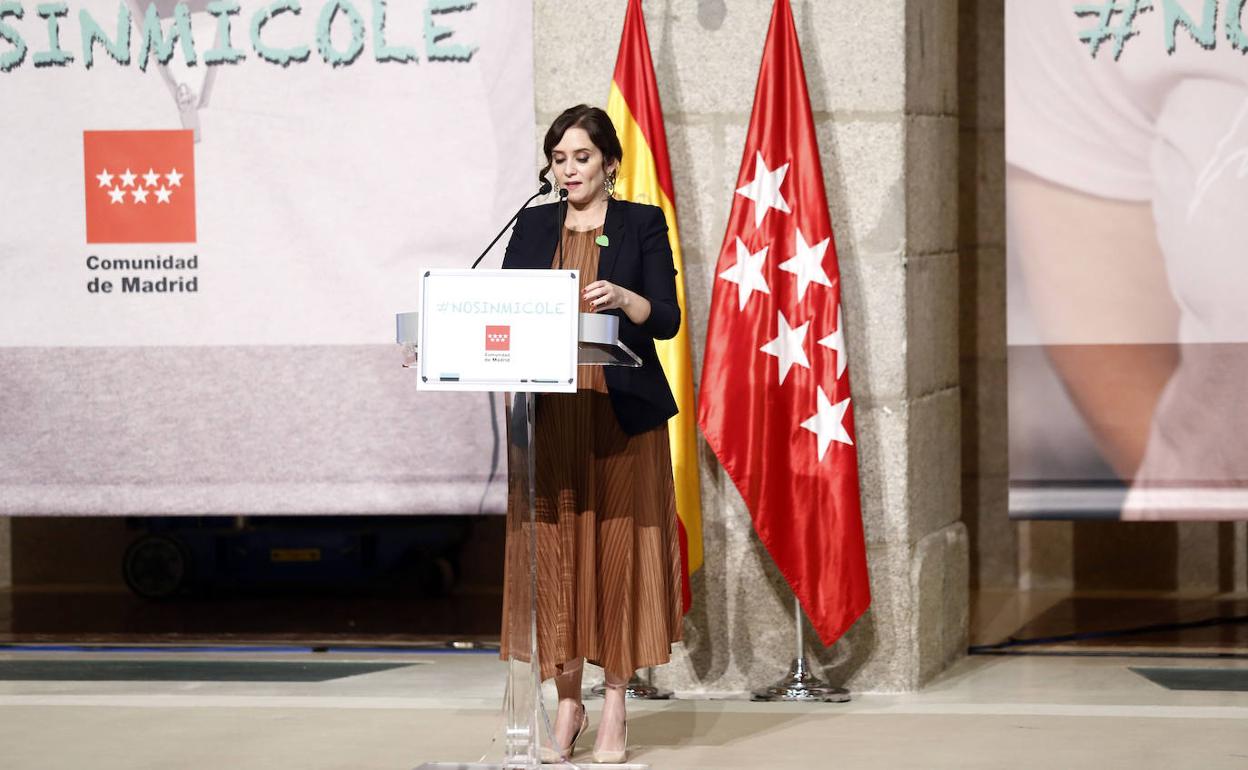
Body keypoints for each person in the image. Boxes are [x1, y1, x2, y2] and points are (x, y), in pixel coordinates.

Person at [498, 104, 684, 764]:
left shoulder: (641, 222)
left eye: (581, 157)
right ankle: (568, 703)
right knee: (558, 560)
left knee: (616, 559)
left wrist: (625, 299)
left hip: (619, 418)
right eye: (559, 159)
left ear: (609, 163)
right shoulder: (533, 224)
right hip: (551, 418)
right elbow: (504, 310)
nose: (569, 169)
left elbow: (666, 318)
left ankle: (616, 706)